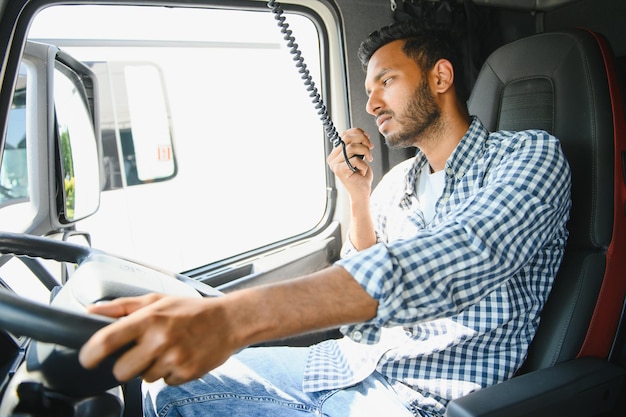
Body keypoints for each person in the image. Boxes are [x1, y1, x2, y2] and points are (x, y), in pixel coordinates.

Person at [79, 21, 572, 417]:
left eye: (387, 80)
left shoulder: (529, 156)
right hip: (347, 362)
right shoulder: (398, 183)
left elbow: (459, 257)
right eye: (367, 88)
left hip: (422, 397)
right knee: (165, 391)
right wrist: (357, 197)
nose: (372, 102)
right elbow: (367, 271)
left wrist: (234, 319)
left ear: (440, 78)